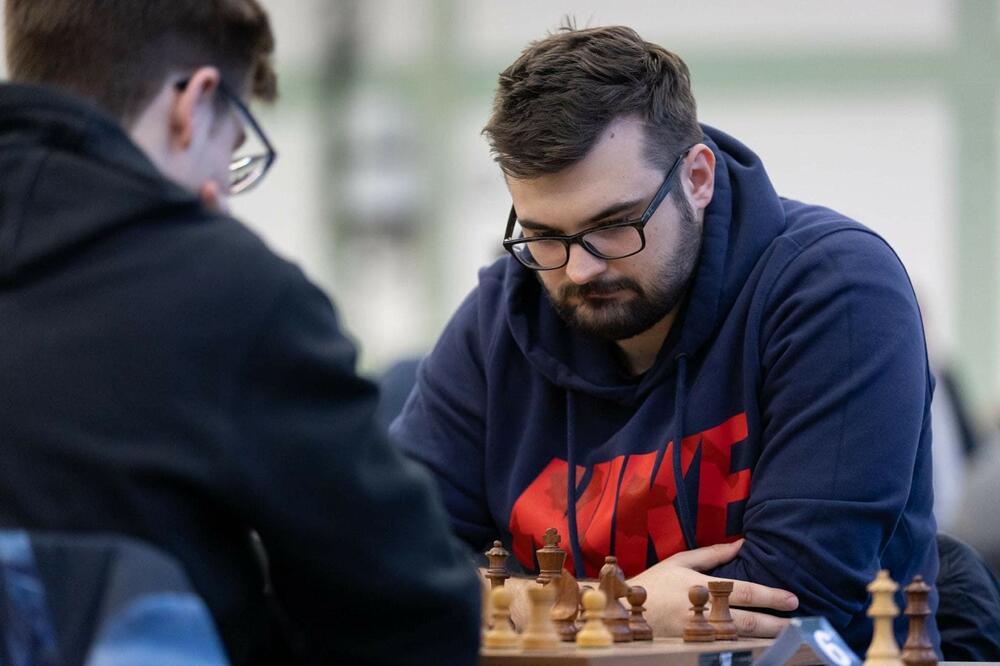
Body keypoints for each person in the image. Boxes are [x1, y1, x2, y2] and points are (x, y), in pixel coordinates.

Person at [391, 25, 938, 655]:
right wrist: (615, 607)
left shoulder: (837, 292)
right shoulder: (501, 315)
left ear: (697, 179)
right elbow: (394, 562)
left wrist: (527, 608)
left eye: (615, 226)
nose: (578, 270)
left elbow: (794, 596)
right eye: (545, 235)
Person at [0, 1, 480, 664]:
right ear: (191, 105)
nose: (219, 197)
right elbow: (412, 611)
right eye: (230, 154)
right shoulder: (230, 293)